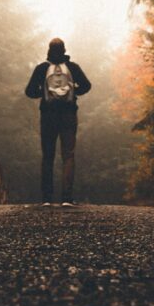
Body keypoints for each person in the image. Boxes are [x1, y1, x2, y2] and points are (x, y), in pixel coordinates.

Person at [25, 38, 91, 207]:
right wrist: (72, 91)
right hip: (68, 114)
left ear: (48, 50)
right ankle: (66, 198)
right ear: (64, 50)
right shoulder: (73, 68)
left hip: (48, 115)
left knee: (48, 155)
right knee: (68, 155)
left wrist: (45, 93)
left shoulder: (42, 68)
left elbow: (29, 91)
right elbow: (87, 86)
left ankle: (47, 198)